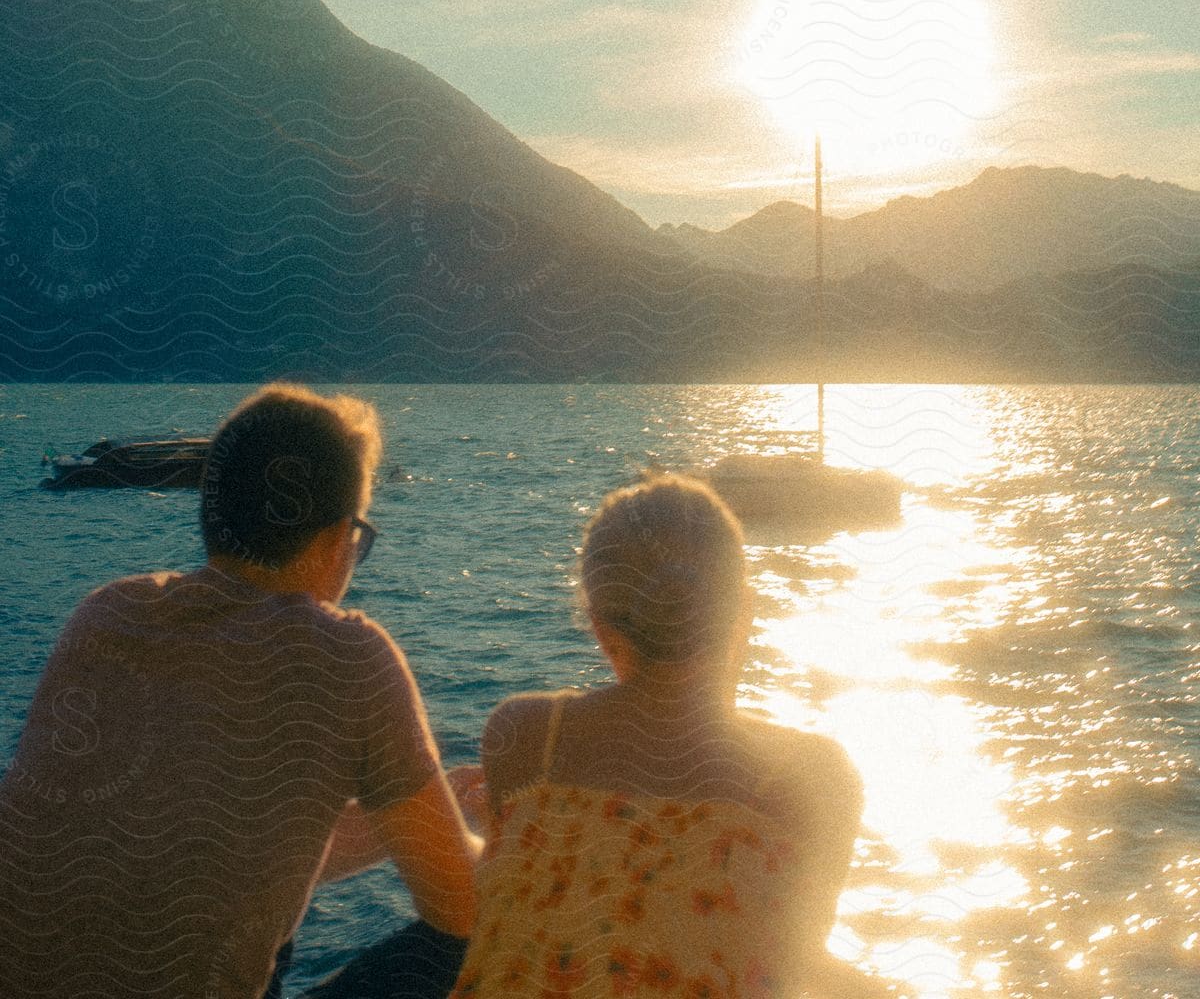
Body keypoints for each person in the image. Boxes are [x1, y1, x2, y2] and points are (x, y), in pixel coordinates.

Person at [0, 383, 481, 999]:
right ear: (341, 537)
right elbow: (461, 906)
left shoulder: (106, 614)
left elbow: (204, 855)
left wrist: (433, 817)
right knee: (485, 929)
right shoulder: (347, 654)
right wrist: (507, 841)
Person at [444, 471, 870, 999]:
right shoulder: (814, 776)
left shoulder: (526, 735)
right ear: (744, 611)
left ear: (603, 631)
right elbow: (790, 957)